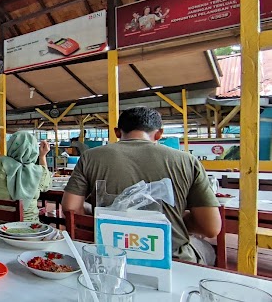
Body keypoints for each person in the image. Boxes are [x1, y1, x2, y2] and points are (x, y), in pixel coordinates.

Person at [61, 107, 221, 265]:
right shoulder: (187, 161)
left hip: (108, 253)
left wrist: (97, 212)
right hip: (171, 257)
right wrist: (172, 219)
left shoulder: (90, 157)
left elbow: (71, 208)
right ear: (159, 133)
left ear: (117, 132)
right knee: (207, 249)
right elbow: (210, 227)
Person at [0, 131, 53, 222]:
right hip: (27, 227)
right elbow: (46, 185)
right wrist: (42, 156)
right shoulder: (39, 171)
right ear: (34, 150)